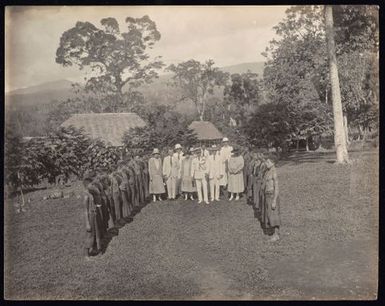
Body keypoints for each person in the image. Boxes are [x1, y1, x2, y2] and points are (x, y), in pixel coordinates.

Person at [260, 156, 281, 242]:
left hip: (272, 195)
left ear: (273, 163)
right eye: (266, 162)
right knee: (268, 214)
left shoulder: (274, 172)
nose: (266, 164)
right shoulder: (267, 171)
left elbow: (276, 188)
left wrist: (274, 200)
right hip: (267, 195)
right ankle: (272, 232)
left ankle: (276, 235)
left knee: (274, 215)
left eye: (268, 162)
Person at [83, 176, 103, 258]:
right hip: (90, 216)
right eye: (91, 184)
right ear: (87, 185)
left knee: (96, 233)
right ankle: (86, 254)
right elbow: (85, 211)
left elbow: (99, 192)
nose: (93, 185)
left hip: (94, 215)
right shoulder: (86, 196)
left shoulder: (91, 193)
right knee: (90, 234)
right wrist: (87, 223)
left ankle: (96, 248)